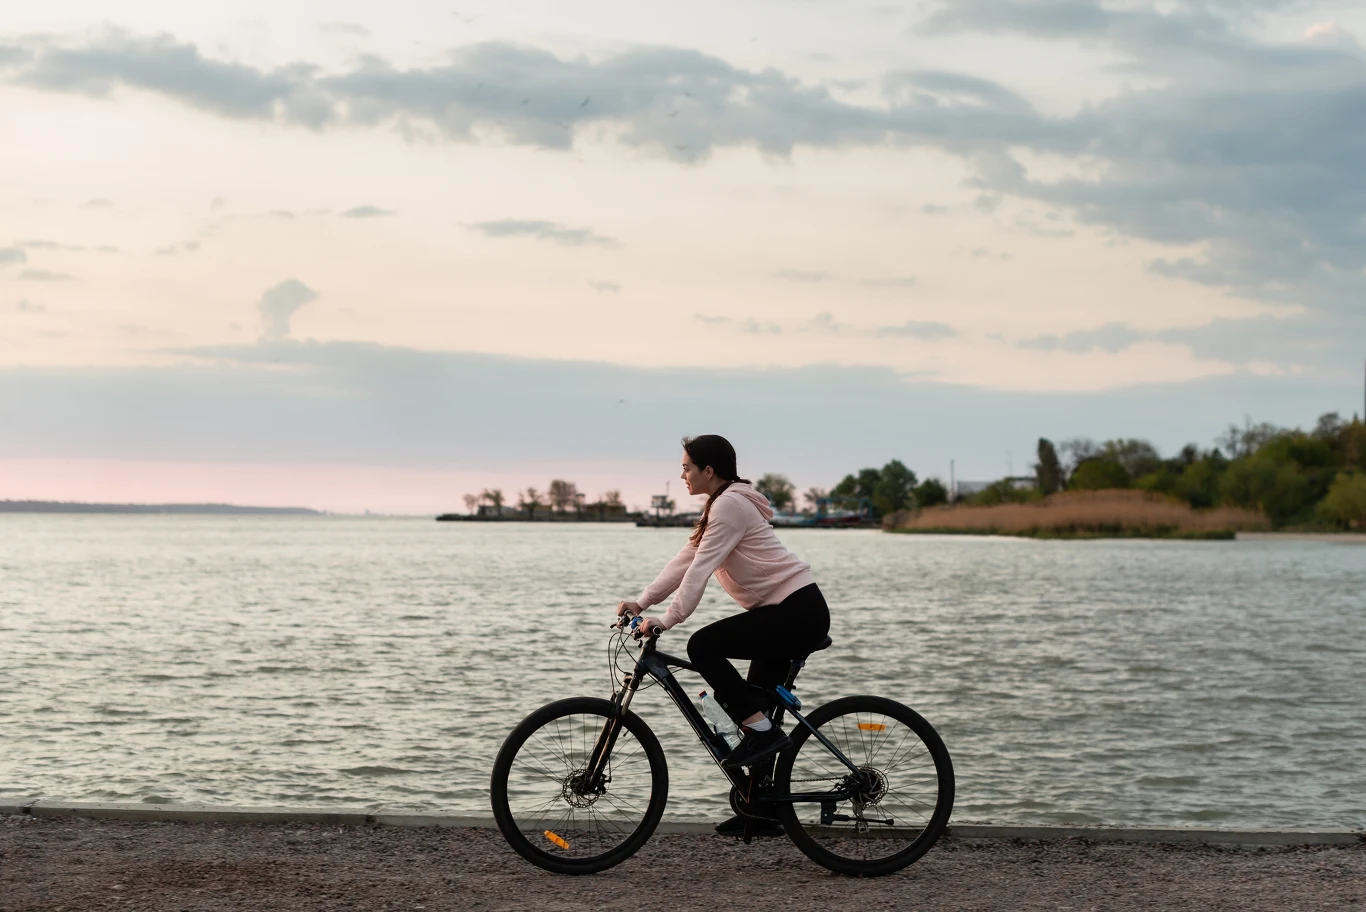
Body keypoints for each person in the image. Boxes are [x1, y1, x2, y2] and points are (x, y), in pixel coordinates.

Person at [616, 434, 831, 838]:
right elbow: (686, 561)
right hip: (783, 613)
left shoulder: (730, 506)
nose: (681, 474)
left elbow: (699, 572)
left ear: (708, 471)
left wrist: (668, 619)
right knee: (751, 712)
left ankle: (762, 735)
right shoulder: (722, 504)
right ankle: (762, 810)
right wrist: (642, 603)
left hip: (796, 613)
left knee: (703, 646)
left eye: (686, 467)